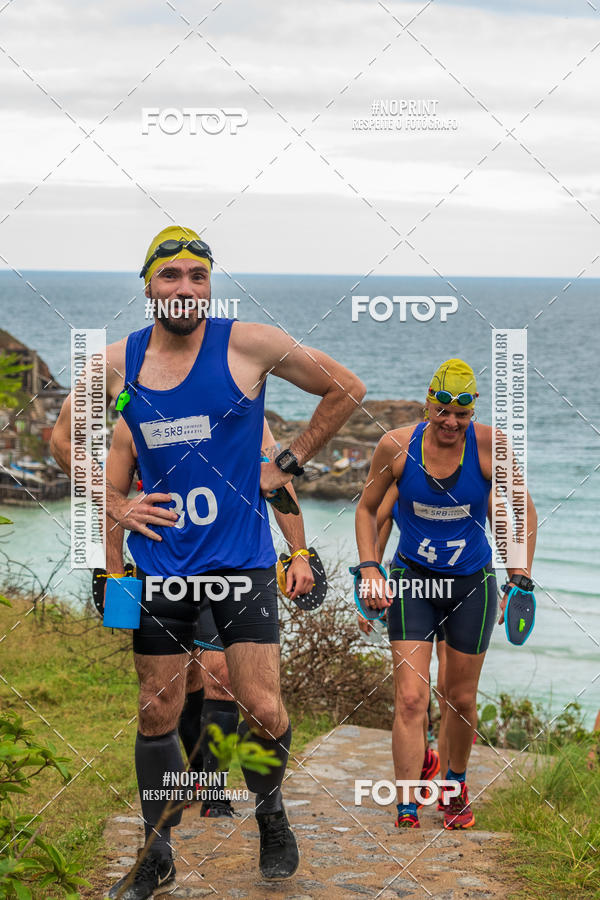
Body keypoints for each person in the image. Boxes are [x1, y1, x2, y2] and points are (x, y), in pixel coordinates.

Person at [51, 225, 365, 898]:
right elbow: (61, 439)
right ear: (148, 287)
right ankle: (157, 850)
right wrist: (113, 506)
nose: (186, 288)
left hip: (241, 564)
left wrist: (290, 459)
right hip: (163, 565)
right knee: (157, 710)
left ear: (210, 284)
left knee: (262, 708)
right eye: (171, 276)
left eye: (198, 275)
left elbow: (345, 388)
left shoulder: (248, 344)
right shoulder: (117, 362)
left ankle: (271, 814)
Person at [354, 359, 537, 830]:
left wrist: (520, 575)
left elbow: (523, 515)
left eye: (461, 413)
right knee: (411, 699)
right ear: (428, 402)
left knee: (460, 699)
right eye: (441, 410)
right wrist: (370, 568)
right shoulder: (396, 445)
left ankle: (454, 787)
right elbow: (368, 509)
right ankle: (407, 801)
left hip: (470, 584)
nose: (450, 422)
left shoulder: (490, 446)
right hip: (412, 581)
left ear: (473, 409)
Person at [105, 415, 314, 819]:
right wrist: (115, 576)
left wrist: (298, 552)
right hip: (165, 566)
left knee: (221, 677)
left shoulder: (239, 408)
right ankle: (200, 775)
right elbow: (114, 499)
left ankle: (217, 794)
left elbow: (276, 481)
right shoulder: (132, 422)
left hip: (230, 566)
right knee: (178, 685)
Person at [357, 484, 448, 806]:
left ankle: (448, 781)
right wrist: (367, 595)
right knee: (412, 692)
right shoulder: (397, 482)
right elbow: (376, 532)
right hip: (409, 585)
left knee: (446, 687)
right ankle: (423, 758)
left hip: (458, 586)